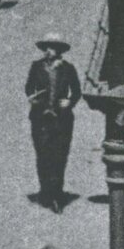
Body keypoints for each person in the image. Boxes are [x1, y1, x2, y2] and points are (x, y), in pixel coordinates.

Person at [26, 34, 82, 212]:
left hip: (62, 120)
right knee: (43, 156)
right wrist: (32, 98)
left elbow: (77, 91)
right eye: (45, 48)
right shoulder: (36, 67)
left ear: (58, 51)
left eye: (50, 48)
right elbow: (28, 87)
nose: (47, 51)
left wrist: (69, 102)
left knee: (59, 157)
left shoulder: (68, 69)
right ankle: (45, 193)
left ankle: (57, 196)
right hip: (40, 119)